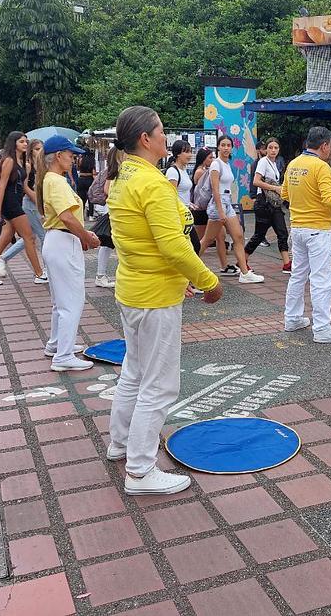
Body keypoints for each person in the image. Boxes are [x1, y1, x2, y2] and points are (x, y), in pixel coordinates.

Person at [106, 106, 223, 495]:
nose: (165, 137)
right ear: (146, 139)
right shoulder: (152, 183)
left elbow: (149, 242)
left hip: (135, 290)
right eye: (161, 131)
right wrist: (208, 281)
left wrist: (182, 278)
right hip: (154, 297)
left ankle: (121, 445)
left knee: (135, 373)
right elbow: (173, 245)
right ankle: (139, 471)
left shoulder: (124, 177)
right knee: (159, 385)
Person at [283, 126, 331, 343]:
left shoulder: (293, 164)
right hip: (317, 230)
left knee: (298, 275)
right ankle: (322, 329)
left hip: (297, 228)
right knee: (321, 279)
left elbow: (284, 193)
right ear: (324, 145)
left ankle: (292, 318)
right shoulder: (321, 167)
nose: (330, 150)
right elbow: (328, 199)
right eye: (330, 146)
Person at [38, 135, 99, 371]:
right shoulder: (56, 181)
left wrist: (80, 236)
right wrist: (86, 236)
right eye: (71, 154)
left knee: (60, 301)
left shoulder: (52, 179)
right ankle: (63, 356)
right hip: (63, 241)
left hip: (59, 240)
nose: (74, 158)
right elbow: (66, 216)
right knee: (71, 301)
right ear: (59, 155)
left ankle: (57, 345)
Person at [0, 132, 47, 286]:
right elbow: (2, 186)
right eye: (22, 141)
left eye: (26, 141)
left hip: (15, 201)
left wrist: (39, 201)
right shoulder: (8, 161)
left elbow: (23, 187)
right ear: (13, 143)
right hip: (11, 204)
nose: (25, 144)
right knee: (29, 237)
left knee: (4, 240)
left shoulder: (22, 163)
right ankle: (39, 274)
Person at [198, 135, 264, 283]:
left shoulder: (227, 163)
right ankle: (187, 270)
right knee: (207, 240)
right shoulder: (216, 164)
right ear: (218, 147)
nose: (226, 148)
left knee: (238, 236)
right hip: (218, 204)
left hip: (228, 203)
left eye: (228, 145)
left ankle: (245, 273)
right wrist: (221, 211)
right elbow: (215, 189)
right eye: (223, 145)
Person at [0, 139, 46, 278]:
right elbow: (24, 187)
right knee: (42, 236)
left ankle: (3, 258)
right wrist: (38, 200)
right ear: (30, 151)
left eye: (41, 148)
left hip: (34, 204)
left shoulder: (41, 165)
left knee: (29, 237)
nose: (39, 151)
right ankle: (44, 271)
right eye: (36, 149)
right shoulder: (28, 166)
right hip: (29, 204)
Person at [245, 137, 291, 273]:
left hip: (273, 204)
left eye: (276, 148)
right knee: (259, 235)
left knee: (282, 232)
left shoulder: (275, 163)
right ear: (266, 149)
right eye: (270, 147)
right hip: (263, 203)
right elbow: (256, 181)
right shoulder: (263, 162)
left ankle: (287, 264)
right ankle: (242, 260)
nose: (273, 150)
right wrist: (275, 188)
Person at [191, 147, 229, 272]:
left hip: (209, 207)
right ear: (203, 159)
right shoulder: (200, 172)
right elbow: (209, 190)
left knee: (220, 236)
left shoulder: (207, 169)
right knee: (203, 240)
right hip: (203, 209)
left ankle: (224, 266)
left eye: (213, 157)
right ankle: (191, 267)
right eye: (210, 157)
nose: (212, 160)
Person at [94, 146, 123, 288]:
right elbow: (107, 189)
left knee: (109, 244)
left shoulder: (114, 170)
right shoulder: (115, 171)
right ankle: (101, 275)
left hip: (114, 212)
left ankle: (102, 275)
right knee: (107, 244)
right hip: (114, 212)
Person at [164, 140, 200, 253]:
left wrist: (190, 204)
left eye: (190, 152)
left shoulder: (183, 170)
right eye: (187, 152)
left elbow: (182, 193)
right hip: (178, 216)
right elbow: (171, 196)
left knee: (193, 246)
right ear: (178, 154)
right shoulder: (172, 172)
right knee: (192, 246)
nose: (190, 155)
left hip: (186, 214)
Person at [76, 149, 96, 220]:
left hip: (81, 179)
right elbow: (93, 172)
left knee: (81, 199)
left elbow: (78, 168)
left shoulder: (80, 160)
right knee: (90, 198)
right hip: (89, 179)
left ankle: (81, 215)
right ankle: (90, 216)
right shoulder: (92, 160)